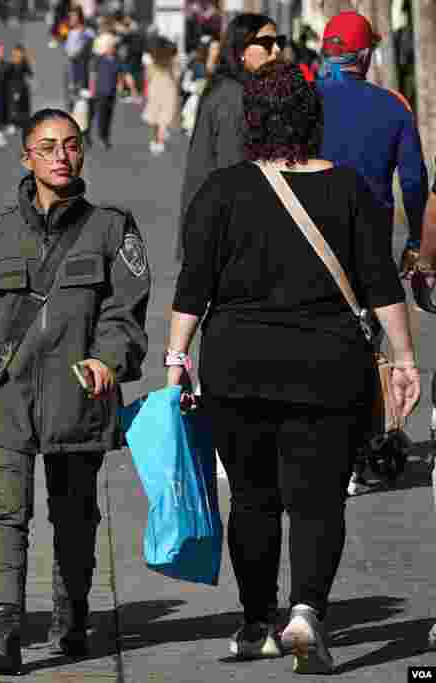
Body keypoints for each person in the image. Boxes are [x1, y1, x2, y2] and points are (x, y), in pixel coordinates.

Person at [168, 61, 420, 674]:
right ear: (314, 120)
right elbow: (381, 284)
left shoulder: (222, 191)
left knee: (253, 501)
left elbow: (193, 284)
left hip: (237, 367)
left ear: (253, 121)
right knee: (319, 501)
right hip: (329, 369)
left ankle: (259, 624)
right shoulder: (352, 190)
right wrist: (405, 358)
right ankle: (307, 612)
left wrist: (176, 358)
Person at [0, 108, 150, 674]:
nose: (61, 155)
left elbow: (125, 313)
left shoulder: (112, 229)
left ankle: (72, 613)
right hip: (4, 398)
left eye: (71, 145)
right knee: (5, 514)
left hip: (77, 395)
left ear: (83, 153)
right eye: (48, 146)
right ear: (26, 157)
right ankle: (3, 628)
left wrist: (109, 359)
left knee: (76, 514)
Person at [314, 11, 429, 281]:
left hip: (307, 236)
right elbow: (413, 183)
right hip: (371, 243)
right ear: (365, 55)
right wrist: (415, 244)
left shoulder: (300, 100)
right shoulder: (395, 106)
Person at [175, 12, 280, 260]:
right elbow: (233, 174)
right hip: (228, 238)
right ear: (242, 50)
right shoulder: (233, 98)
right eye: (266, 43)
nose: (276, 50)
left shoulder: (235, 90)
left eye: (278, 42)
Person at [140, 38, 179, 156]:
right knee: (165, 116)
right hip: (168, 87)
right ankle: (160, 141)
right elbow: (176, 76)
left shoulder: (153, 61)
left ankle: (155, 139)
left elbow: (147, 76)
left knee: (155, 116)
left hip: (155, 87)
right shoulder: (172, 61)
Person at [89, 32, 121, 150]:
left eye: (114, 46)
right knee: (101, 115)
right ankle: (102, 137)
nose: (113, 48)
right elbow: (93, 74)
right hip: (100, 91)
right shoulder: (99, 59)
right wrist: (92, 89)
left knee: (109, 115)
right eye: (111, 46)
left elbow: (119, 74)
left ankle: (106, 136)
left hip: (111, 92)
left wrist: (120, 85)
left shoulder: (116, 59)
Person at [5, 44, 33, 131]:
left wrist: (28, 61)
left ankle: (23, 123)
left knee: (23, 106)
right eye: (16, 53)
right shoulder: (11, 64)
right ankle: (12, 124)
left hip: (22, 88)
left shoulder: (24, 63)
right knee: (13, 107)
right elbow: (6, 76)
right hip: (13, 88)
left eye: (20, 53)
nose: (18, 55)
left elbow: (30, 73)